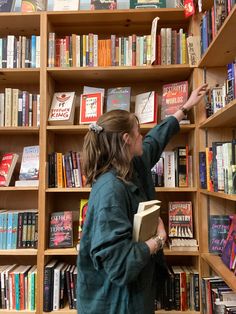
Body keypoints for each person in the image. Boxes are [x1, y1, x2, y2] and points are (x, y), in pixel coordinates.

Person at [77, 84, 208, 314]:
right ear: (127, 139)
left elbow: (154, 142)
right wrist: (159, 240)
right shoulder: (111, 191)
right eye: (138, 132)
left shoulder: (130, 164)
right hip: (117, 304)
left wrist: (184, 108)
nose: (142, 136)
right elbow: (119, 266)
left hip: (132, 296)